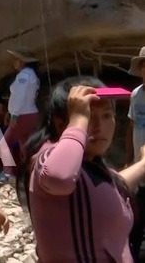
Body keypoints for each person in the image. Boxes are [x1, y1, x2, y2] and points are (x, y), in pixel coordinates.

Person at [17, 76, 145, 262]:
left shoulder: (89, 164)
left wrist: (142, 164)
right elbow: (59, 177)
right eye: (89, 117)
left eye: (107, 115)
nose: (99, 126)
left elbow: (113, 184)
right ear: (60, 124)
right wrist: (78, 120)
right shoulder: (49, 157)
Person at [0, 47, 40, 182]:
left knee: (5, 142)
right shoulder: (32, 74)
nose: (14, 62)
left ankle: (7, 173)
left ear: (22, 61)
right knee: (26, 146)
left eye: (16, 59)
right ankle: (31, 173)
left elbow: (20, 96)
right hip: (30, 113)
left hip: (22, 114)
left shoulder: (24, 75)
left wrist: (14, 115)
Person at [127, 46, 145, 257]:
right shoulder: (135, 95)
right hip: (137, 166)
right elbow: (131, 127)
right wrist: (128, 159)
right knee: (135, 217)